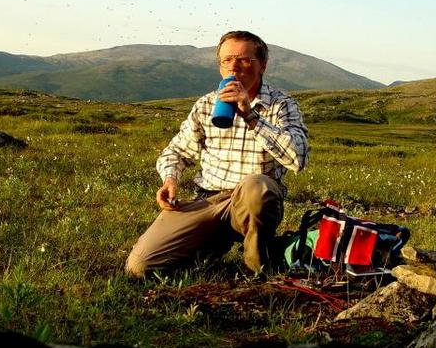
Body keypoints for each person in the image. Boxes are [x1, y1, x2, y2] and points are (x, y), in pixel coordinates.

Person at [125, 30, 309, 277]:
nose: (234, 67)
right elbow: (176, 151)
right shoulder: (206, 104)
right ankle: (211, 242)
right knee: (141, 266)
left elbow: (298, 158)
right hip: (209, 200)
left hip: (253, 201)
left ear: (262, 65)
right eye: (227, 60)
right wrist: (170, 180)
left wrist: (250, 116)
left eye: (244, 60)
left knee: (256, 186)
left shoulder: (282, 105)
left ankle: (260, 266)